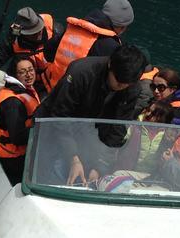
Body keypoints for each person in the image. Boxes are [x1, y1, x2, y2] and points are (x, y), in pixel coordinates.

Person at [33, 43, 147, 186]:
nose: (121, 86)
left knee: (85, 175)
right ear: (110, 64)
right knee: (44, 171)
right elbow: (60, 116)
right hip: (52, 124)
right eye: (118, 80)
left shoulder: (132, 87)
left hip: (88, 131)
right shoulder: (81, 72)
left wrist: (100, 167)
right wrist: (73, 158)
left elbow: (117, 129)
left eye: (127, 84)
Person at [39, 0, 134, 94]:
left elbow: (48, 53)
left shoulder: (72, 28)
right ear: (122, 27)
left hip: (50, 87)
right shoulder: (111, 47)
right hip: (74, 100)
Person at [0, 56, 42, 185]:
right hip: (13, 159)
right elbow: (17, 137)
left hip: (21, 154)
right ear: (15, 75)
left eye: (31, 70)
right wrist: (41, 131)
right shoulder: (13, 103)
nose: (28, 75)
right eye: (22, 72)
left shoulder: (21, 89)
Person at [0, 7, 57, 88]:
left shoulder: (54, 30)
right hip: (28, 82)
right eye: (34, 32)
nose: (39, 32)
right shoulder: (13, 38)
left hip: (52, 79)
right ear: (23, 34)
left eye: (39, 28)